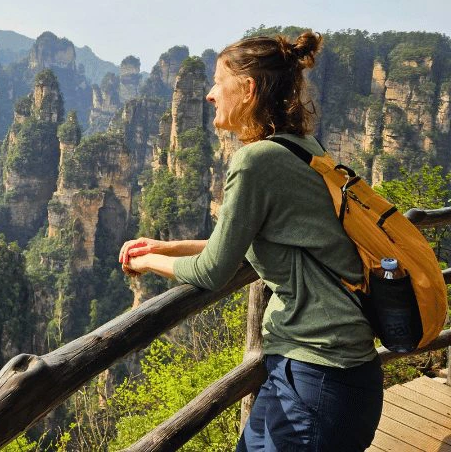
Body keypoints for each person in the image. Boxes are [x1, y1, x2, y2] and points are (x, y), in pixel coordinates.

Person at [119, 31, 383, 451]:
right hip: (321, 372)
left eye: (217, 82)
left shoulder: (256, 160)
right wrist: (165, 247)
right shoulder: (300, 148)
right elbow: (244, 239)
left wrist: (148, 264)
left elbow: (214, 270)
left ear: (248, 89)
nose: (208, 95)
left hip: (318, 377)